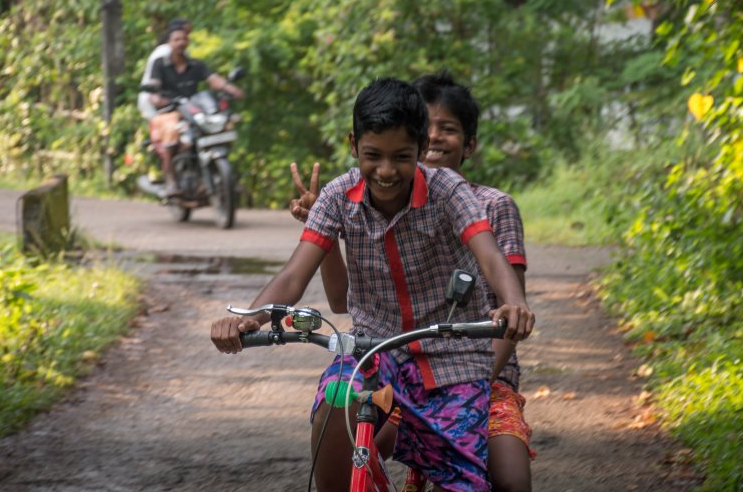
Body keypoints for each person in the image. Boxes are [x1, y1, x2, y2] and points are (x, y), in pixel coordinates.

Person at [212, 78, 534, 492]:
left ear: (420, 148)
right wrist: (248, 319)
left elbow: (489, 253)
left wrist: (513, 303)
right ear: (353, 145)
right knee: (336, 401)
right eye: (372, 156)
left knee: (470, 481)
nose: (385, 170)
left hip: (454, 361)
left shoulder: (450, 190)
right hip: (374, 353)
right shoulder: (336, 196)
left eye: (401, 157)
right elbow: (295, 274)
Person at [145, 22, 244, 196]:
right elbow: (153, 89)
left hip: (193, 110)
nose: (181, 42)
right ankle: (171, 181)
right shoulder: (159, 64)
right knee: (171, 132)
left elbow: (214, 80)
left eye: (184, 39)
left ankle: (226, 178)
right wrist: (159, 99)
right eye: (176, 39)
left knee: (223, 126)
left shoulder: (196, 64)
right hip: (170, 111)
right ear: (169, 43)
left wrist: (232, 89)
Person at [138, 18, 192, 120]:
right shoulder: (163, 53)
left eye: (187, 35)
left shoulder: (183, 55)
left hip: (173, 100)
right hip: (155, 100)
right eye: (185, 32)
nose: (185, 38)